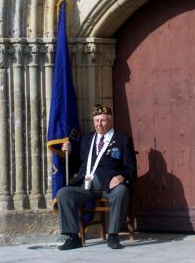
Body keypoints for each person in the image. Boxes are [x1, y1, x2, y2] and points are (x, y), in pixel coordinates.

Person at [56, 104, 137, 250]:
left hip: (108, 187)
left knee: (121, 191)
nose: (99, 124)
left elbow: (131, 169)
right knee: (63, 194)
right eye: (96, 121)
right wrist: (67, 153)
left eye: (103, 120)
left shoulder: (122, 140)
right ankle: (73, 237)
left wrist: (122, 177)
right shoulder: (87, 139)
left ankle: (113, 236)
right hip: (85, 186)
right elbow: (78, 164)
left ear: (111, 121)